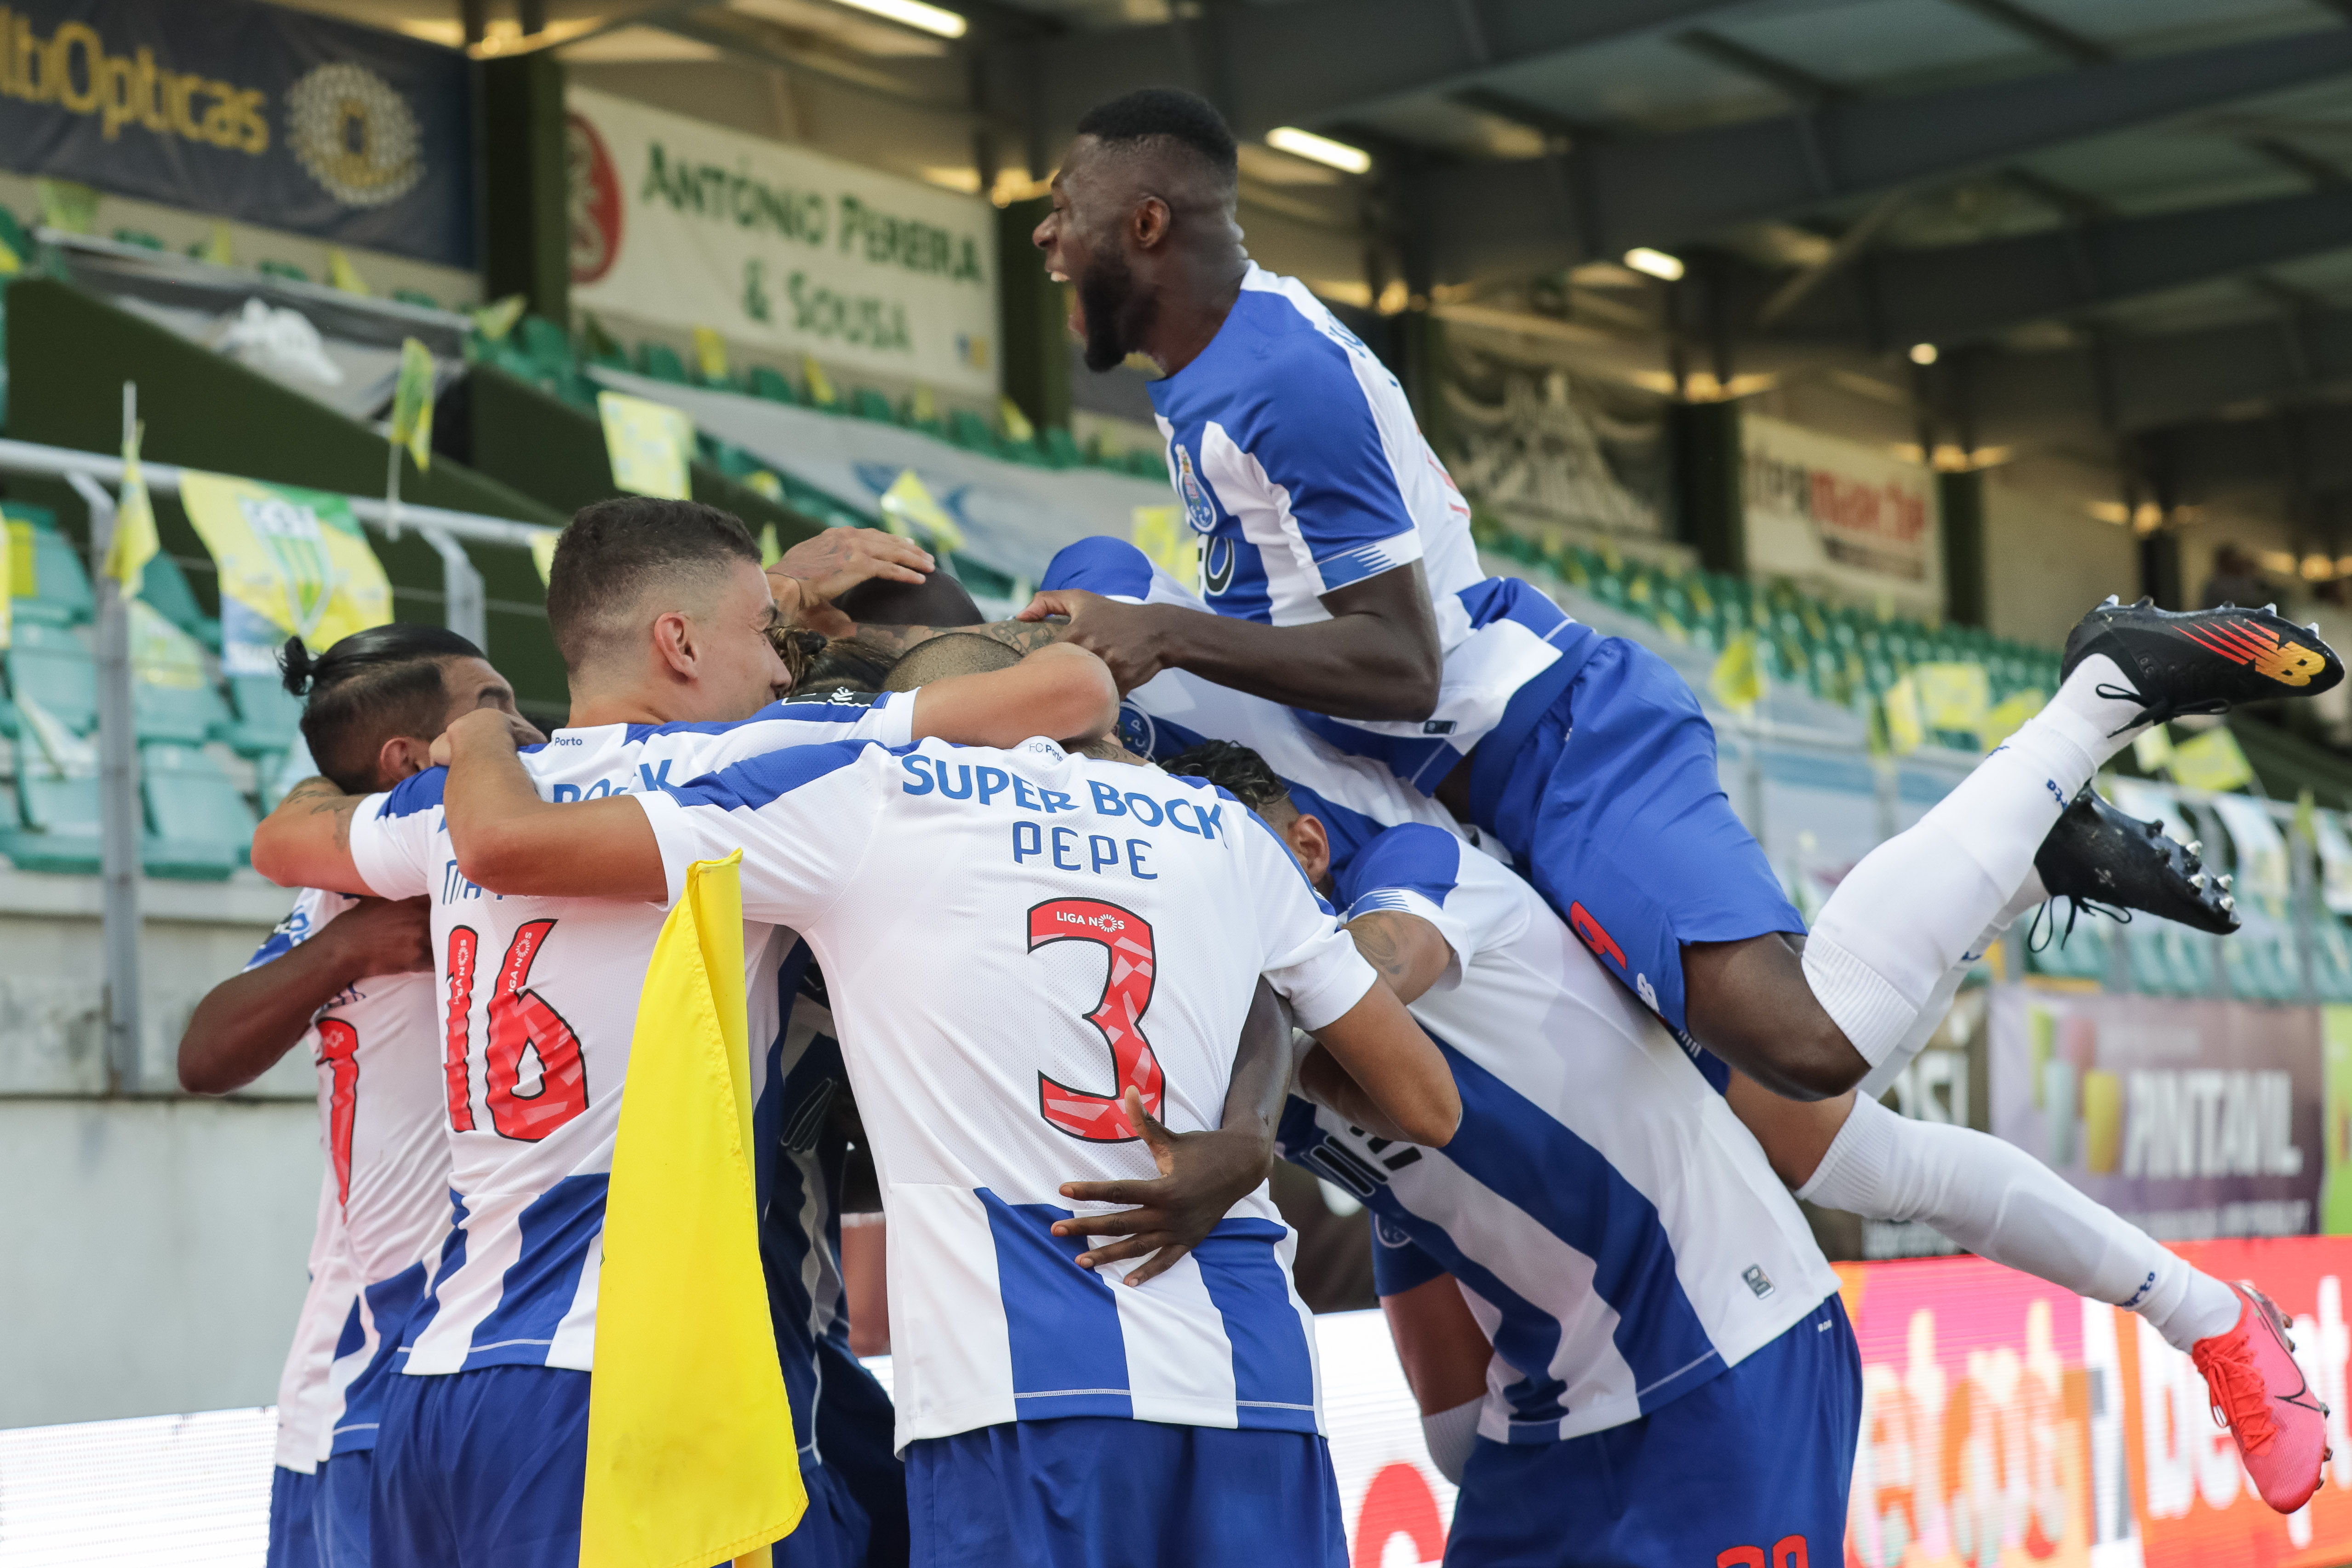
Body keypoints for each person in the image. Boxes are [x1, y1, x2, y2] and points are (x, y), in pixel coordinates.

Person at [1018, 87, 2341, 1507]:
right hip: (1462, 811)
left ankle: (2097, 698)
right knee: (1822, 1148)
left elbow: (1400, 663)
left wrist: (1159, 636)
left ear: (1145, 223)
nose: (1040, 237)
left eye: (1062, 211)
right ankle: (2196, 1286)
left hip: (1543, 738)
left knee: (1802, 1047)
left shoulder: (1269, 385)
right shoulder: (1199, 391)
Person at [245, 497, 1128, 1567]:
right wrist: (857, 659)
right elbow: (1075, 687)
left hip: (439, 1384)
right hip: (616, 1386)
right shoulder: (765, 759)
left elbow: (285, 840)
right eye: (763, 634)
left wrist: (477, 734)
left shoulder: (454, 798)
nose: (777, 667)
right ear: (678, 640)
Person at [419, 665, 1463, 1568]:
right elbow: (1426, 1101)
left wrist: (471, 733)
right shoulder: (1224, 830)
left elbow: (510, 843)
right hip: (1252, 1378)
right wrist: (1244, 1124)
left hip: (1016, 1388)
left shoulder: (879, 794)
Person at [1167, 743, 1853, 1562]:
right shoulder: (1235, 1044)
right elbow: (1411, 1200)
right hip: (1544, 1410)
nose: (1218, 916)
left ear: (1309, 847)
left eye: (1238, 875)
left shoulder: (1411, 867)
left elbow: (1375, 974)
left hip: (1726, 1338)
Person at [179, 625, 540, 1568]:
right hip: (366, 1376)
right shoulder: (359, 891)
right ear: (409, 766)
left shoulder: (456, 859)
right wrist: (344, 951)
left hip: (433, 1374)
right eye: (495, 706)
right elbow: (203, 1053)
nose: (527, 726)